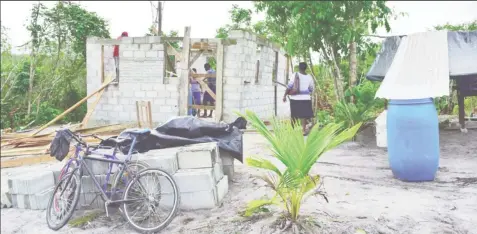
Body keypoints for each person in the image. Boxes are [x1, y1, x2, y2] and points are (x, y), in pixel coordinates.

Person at [282, 62, 315, 135]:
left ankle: (292, 131)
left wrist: (284, 95)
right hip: (306, 99)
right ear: (306, 68)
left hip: (295, 99)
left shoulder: (295, 75)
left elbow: (289, 86)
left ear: (299, 68)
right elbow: (311, 88)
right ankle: (303, 131)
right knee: (304, 116)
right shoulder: (309, 77)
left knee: (294, 115)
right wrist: (305, 92)